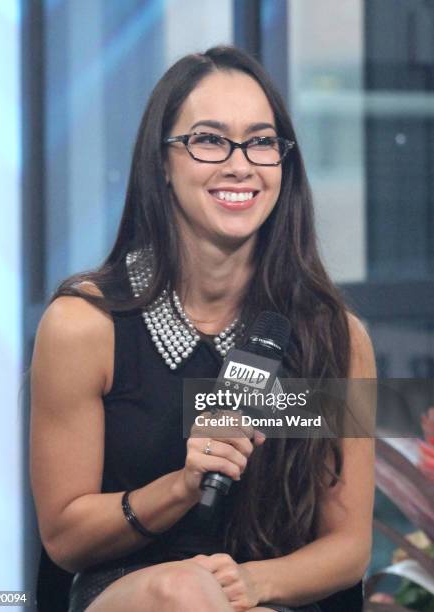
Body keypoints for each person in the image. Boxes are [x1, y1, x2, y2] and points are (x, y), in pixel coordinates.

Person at [30, 46, 376, 612]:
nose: (240, 163)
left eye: (262, 141)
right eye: (210, 139)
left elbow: (348, 546)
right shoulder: (83, 325)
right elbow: (66, 538)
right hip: (131, 588)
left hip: (274, 593)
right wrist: (182, 486)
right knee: (184, 592)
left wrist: (253, 585)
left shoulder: (334, 336)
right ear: (162, 162)